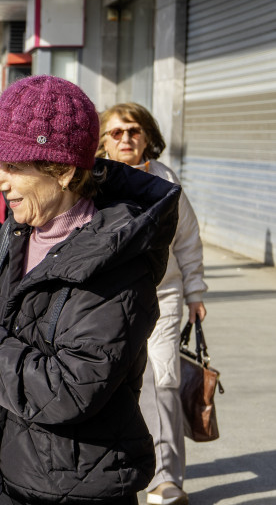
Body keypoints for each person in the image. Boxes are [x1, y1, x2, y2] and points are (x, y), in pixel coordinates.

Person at [0, 75, 181, 505]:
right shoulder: (23, 227)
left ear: (62, 171)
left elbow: (68, 389)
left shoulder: (117, 265)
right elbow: (36, 324)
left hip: (74, 487)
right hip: (11, 476)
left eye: (12, 167)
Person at [98, 102, 207, 505]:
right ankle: (117, 466)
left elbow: (188, 239)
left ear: (147, 136)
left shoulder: (166, 180)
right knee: (110, 383)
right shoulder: (92, 182)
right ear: (103, 140)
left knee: (164, 380)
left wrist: (194, 292)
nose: (126, 138)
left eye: (134, 131)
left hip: (163, 295)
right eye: (116, 132)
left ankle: (166, 480)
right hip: (107, 301)